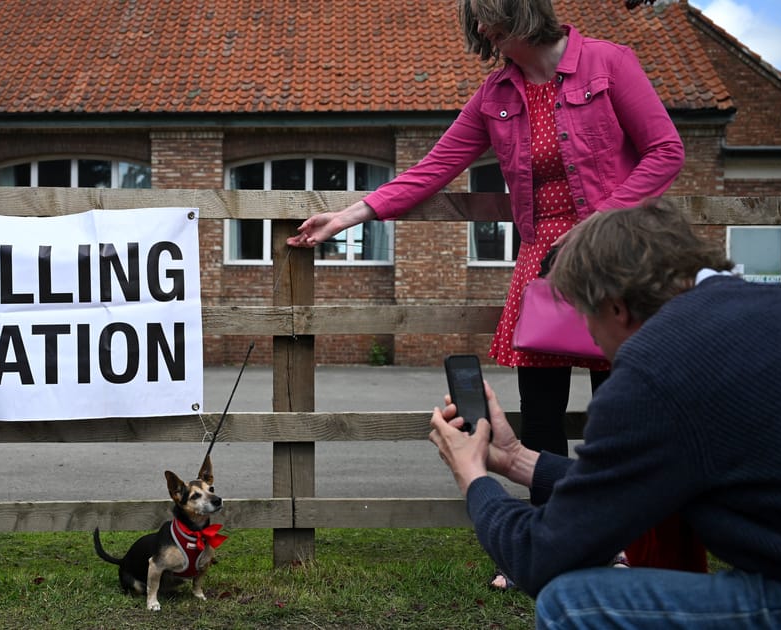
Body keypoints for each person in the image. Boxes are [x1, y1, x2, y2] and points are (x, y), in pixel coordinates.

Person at [287, 0, 688, 586]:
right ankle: (554, 543)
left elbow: (665, 151)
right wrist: (348, 216)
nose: (479, 27)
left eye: (489, 13)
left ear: (522, 11)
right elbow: (434, 168)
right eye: (473, 18)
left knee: (615, 412)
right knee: (543, 412)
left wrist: (596, 223)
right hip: (541, 269)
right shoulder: (496, 93)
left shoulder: (609, 64)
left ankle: (617, 542)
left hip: (615, 257)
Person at [427, 199, 781, 628]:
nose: (592, 342)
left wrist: (473, 478)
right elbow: (631, 482)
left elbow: (540, 556)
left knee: (575, 605)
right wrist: (517, 458)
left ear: (617, 307)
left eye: (585, 318)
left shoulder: (657, 371)